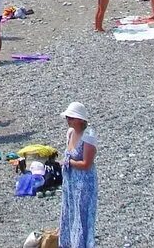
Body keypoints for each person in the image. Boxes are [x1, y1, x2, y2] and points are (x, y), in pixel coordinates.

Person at [58, 101, 97, 248]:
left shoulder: (88, 136)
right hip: (70, 181)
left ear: (80, 120)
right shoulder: (70, 133)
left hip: (84, 183)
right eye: (67, 117)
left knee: (81, 215)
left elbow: (87, 164)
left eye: (71, 117)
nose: (68, 120)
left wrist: (67, 163)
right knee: (69, 211)